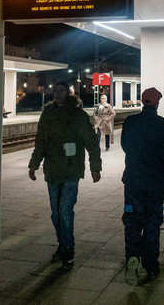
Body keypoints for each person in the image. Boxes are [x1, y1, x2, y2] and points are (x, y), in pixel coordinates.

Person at [28, 82, 101, 270]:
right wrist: (34, 164)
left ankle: (68, 249)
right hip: (52, 170)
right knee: (55, 213)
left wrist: (95, 167)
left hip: (71, 170)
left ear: (68, 93)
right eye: (55, 91)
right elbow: (40, 141)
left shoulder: (78, 115)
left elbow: (91, 142)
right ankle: (62, 244)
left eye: (61, 91)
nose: (57, 94)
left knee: (65, 212)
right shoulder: (48, 114)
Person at [121, 87, 164, 285]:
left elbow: (124, 145)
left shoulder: (131, 122)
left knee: (132, 219)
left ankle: (132, 257)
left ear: (142, 101)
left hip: (133, 181)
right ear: (157, 103)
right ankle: (151, 265)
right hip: (156, 182)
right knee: (152, 221)